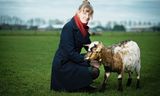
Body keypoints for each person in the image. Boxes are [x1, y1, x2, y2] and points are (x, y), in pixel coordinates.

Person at [50, 0, 100, 92]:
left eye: (89, 15)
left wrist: (100, 52)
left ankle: (83, 84)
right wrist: (89, 61)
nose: (87, 17)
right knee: (94, 71)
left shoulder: (83, 29)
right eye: (85, 13)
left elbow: (90, 47)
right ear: (78, 12)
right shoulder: (68, 27)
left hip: (73, 60)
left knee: (95, 57)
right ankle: (78, 87)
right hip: (64, 64)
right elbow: (70, 53)